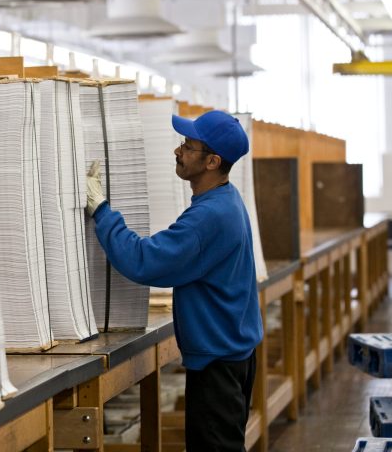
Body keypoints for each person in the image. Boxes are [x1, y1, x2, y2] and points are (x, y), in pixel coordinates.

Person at [86, 110, 262, 452]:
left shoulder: (210, 216)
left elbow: (144, 261)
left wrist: (102, 210)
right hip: (229, 354)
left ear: (212, 161)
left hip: (218, 364)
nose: (178, 151)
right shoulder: (224, 199)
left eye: (188, 146)